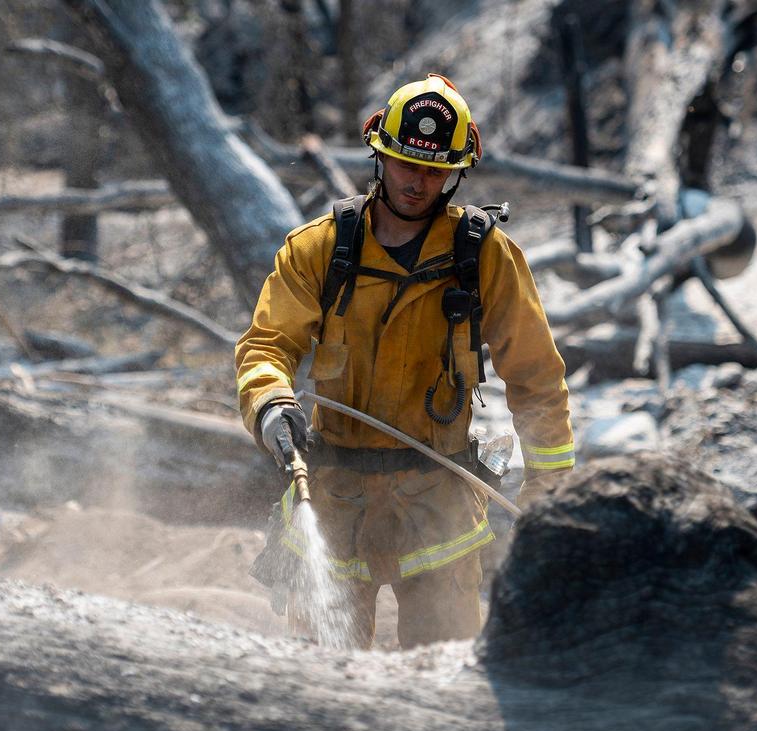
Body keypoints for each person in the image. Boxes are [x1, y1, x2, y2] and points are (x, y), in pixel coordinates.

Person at [236, 73, 573, 649]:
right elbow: (267, 345)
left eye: (434, 170)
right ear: (379, 155)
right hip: (333, 499)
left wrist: (550, 497)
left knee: (444, 682)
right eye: (405, 164)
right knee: (323, 687)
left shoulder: (484, 257)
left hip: (437, 504)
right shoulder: (320, 249)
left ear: (455, 173)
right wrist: (270, 402)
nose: (418, 182)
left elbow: (537, 380)